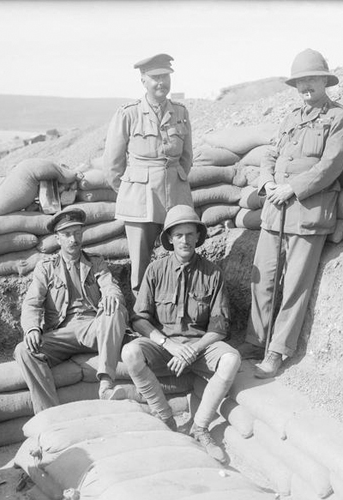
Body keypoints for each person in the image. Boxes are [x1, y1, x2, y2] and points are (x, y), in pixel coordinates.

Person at [243, 49, 343, 378]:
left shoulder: (338, 119)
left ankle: (277, 351)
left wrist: (293, 188)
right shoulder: (290, 117)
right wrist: (267, 182)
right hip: (275, 212)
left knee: (294, 287)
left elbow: (330, 166)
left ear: (324, 81)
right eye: (300, 81)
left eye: (311, 79)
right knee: (261, 278)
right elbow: (270, 154)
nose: (306, 86)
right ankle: (255, 339)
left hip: (308, 214)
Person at [119, 205, 240, 463]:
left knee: (232, 360)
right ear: (170, 240)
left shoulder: (213, 273)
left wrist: (192, 350)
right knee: (130, 353)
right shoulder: (155, 270)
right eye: (179, 235)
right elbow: (139, 319)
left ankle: (201, 427)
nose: (185, 240)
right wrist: (169, 345)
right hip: (165, 347)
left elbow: (219, 328)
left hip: (200, 348)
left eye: (189, 234)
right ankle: (165, 417)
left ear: (198, 236)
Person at [14, 209, 129, 413]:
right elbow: (32, 303)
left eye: (77, 233)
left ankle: (106, 383)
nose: (73, 239)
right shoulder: (46, 267)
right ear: (57, 238)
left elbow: (109, 285)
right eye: (67, 235)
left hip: (93, 328)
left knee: (116, 309)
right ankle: (50, 415)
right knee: (24, 350)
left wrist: (111, 296)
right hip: (62, 333)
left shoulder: (95, 262)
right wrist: (32, 328)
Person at [104, 53, 193, 294]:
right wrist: (132, 188)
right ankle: (142, 315)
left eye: (165, 76)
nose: (161, 82)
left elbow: (186, 158)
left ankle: (173, 310)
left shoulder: (180, 112)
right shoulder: (128, 113)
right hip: (140, 200)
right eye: (155, 77)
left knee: (177, 258)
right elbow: (113, 165)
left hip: (175, 195)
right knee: (141, 264)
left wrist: (174, 179)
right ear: (143, 80)